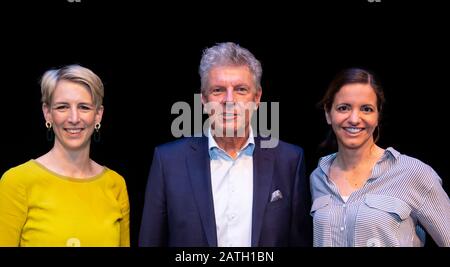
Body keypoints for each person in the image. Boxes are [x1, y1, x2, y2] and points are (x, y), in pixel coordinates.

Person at [139, 42, 312, 247]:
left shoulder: (290, 160)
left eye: (241, 89)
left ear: (257, 98)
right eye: (218, 90)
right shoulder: (168, 162)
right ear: (203, 99)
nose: (229, 100)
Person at [310, 68, 450, 247]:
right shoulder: (317, 178)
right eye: (343, 108)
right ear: (328, 113)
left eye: (366, 109)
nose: (354, 118)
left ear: (377, 116)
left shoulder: (414, 173)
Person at [0, 65, 130, 247]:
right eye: (63, 107)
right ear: (47, 113)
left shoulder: (115, 184)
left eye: (84, 107)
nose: (74, 118)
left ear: (98, 115)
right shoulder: (16, 181)